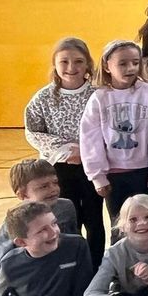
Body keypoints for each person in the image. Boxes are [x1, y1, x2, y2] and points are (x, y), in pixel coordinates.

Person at [23, 36, 103, 265]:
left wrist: (86, 151)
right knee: (66, 219)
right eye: (64, 62)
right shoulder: (43, 98)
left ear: (88, 64)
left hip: (92, 167)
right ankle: (71, 265)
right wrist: (67, 150)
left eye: (78, 61)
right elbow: (33, 132)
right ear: (55, 65)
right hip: (58, 171)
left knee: (94, 219)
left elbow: (107, 129)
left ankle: (95, 266)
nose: (71, 68)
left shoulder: (98, 95)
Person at [80, 39, 148, 233]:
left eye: (135, 62)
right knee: (121, 226)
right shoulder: (99, 97)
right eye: (123, 63)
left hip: (144, 172)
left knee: (146, 224)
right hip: (113, 174)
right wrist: (97, 176)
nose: (130, 68)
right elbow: (90, 137)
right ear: (107, 66)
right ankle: (121, 262)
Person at [0, 160, 78, 277]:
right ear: (22, 195)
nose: (53, 189)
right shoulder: (16, 220)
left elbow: (73, 239)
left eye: (55, 183)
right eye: (44, 186)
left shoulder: (66, 206)